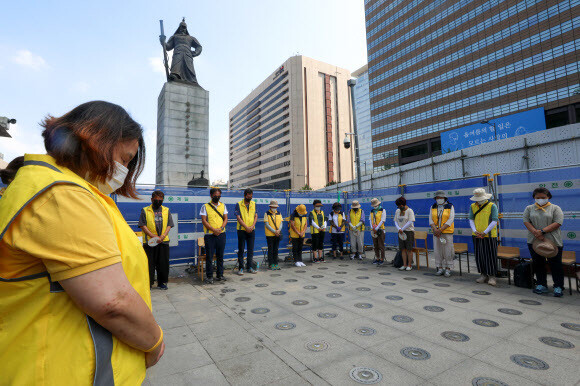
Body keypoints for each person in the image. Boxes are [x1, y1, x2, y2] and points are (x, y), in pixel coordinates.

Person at [0, 101, 163, 385]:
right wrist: (154, 342)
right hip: (60, 371)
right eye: (124, 159)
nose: (124, 169)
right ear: (97, 139)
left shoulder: (77, 192)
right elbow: (114, 302)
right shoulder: (61, 195)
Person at [523, 187, 565, 297]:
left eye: (543, 197)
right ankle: (541, 284)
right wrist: (536, 233)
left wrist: (542, 231)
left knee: (555, 264)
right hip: (534, 240)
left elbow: (558, 222)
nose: (540, 199)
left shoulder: (555, 208)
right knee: (538, 263)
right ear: (534, 198)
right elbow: (526, 221)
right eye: (538, 197)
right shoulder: (529, 208)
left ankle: (558, 286)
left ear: (548, 197)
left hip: (553, 241)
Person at [139, 190, 174, 290]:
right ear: (151, 199)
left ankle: (162, 283)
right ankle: (149, 283)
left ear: (163, 200)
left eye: (160, 200)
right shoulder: (145, 210)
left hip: (163, 241)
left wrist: (162, 236)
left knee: (163, 263)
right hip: (150, 242)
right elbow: (142, 224)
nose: (158, 202)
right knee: (149, 264)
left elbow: (169, 225)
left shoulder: (166, 210)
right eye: (156, 200)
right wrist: (153, 236)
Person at [469, 188, 499, 286]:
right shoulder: (473, 206)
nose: (479, 200)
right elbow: (471, 219)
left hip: (489, 235)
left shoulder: (492, 206)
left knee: (490, 255)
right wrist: (475, 230)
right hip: (476, 235)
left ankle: (492, 276)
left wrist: (485, 232)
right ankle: (483, 274)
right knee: (479, 255)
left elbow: (494, 220)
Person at [200, 187, 228, 284]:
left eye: (219, 195)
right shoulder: (205, 206)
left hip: (221, 234)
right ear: (211, 195)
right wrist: (213, 230)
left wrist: (220, 229)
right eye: (215, 195)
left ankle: (220, 275)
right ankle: (209, 276)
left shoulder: (223, 206)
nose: (217, 197)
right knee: (209, 257)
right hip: (210, 235)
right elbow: (204, 220)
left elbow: (225, 219)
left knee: (220, 256)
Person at [429, 190, 455, 277]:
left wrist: (440, 230)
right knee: (437, 250)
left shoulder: (450, 206)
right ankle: (439, 268)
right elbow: (430, 219)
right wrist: (435, 230)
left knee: (448, 250)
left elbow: (450, 219)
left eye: (440, 198)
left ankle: (448, 268)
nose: (439, 199)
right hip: (436, 233)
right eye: (437, 198)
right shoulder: (433, 207)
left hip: (446, 232)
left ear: (444, 198)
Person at [235, 188, 258, 275]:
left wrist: (251, 227)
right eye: (249, 196)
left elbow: (256, 216)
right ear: (245, 195)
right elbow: (238, 218)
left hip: (252, 230)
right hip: (241, 230)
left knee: (250, 249)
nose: (250, 197)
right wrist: (246, 227)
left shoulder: (254, 204)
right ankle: (241, 268)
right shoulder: (239, 204)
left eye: (251, 196)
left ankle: (250, 267)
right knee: (241, 249)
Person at [394, 196, 416, 271]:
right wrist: (399, 229)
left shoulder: (410, 211)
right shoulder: (397, 211)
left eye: (400, 206)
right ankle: (404, 264)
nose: (399, 207)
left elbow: (410, 221)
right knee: (402, 249)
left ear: (404, 204)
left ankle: (409, 265)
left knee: (409, 249)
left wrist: (402, 229)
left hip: (408, 231)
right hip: (400, 232)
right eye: (398, 206)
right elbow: (395, 221)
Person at [264, 200, 283, 270]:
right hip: (270, 235)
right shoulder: (267, 213)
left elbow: (281, 222)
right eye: (273, 207)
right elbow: (267, 224)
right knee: (271, 249)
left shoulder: (279, 213)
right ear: (270, 206)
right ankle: (271, 264)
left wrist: (278, 231)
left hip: (277, 234)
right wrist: (274, 231)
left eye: (275, 207)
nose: (274, 208)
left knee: (276, 249)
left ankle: (276, 263)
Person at [369, 198, 386, 265]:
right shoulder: (372, 211)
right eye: (374, 205)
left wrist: (377, 227)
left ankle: (382, 259)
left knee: (381, 245)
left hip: (380, 230)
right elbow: (370, 220)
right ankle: (377, 258)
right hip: (373, 230)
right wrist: (372, 227)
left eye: (376, 205)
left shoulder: (383, 210)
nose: (375, 206)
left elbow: (382, 220)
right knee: (375, 245)